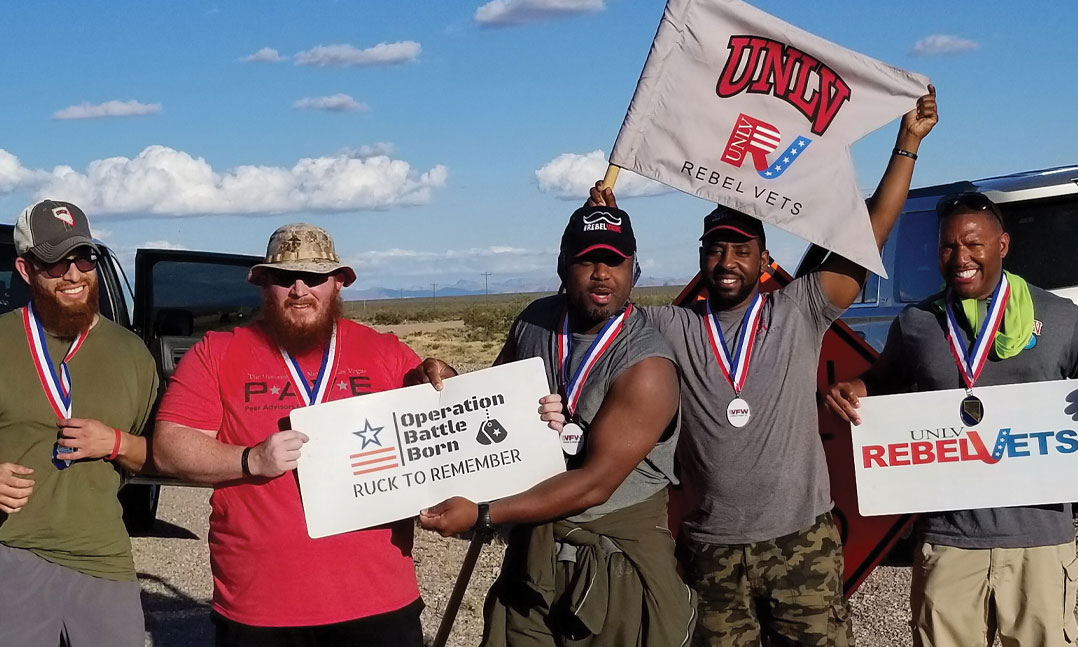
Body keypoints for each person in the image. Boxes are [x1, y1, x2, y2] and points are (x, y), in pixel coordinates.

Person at [586, 87, 938, 646]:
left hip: (802, 541)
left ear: (763, 258)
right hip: (711, 548)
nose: (726, 263)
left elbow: (869, 234)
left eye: (741, 250)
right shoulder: (673, 326)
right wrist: (602, 228)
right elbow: (598, 297)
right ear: (702, 256)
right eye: (715, 250)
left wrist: (907, 145)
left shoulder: (798, 309)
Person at [150, 222, 563, 647]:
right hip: (258, 606)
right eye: (283, 277)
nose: (299, 289)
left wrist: (531, 420)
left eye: (313, 277)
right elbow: (169, 448)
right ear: (262, 283)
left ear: (338, 284)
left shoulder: (384, 353)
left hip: (378, 601)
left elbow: (456, 431)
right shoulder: (217, 352)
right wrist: (249, 459)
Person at [415, 205, 698, 646]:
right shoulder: (535, 321)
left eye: (615, 260)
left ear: (635, 268)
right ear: (562, 265)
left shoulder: (647, 364)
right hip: (534, 557)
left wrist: (485, 514)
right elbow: (494, 412)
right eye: (587, 259)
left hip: (613, 559)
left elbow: (594, 484)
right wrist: (452, 390)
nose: (602, 273)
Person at [825, 191, 1078, 647]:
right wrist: (855, 389)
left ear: (1002, 245)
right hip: (948, 538)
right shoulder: (917, 322)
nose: (960, 257)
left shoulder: (1061, 318)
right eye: (948, 246)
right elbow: (882, 381)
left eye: (974, 244)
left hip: (1040, 539)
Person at [0, 200, 159, 647]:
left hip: (103, 558)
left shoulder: (132, 353)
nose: (73, 274)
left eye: (83, 257)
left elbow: (162, 457)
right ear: (26, 269)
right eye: (54, 261)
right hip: (12, 556)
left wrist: (115, 442)